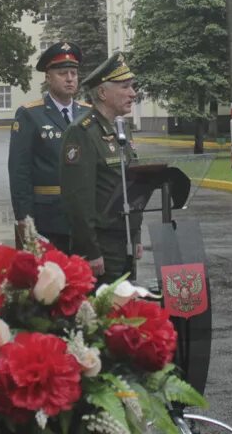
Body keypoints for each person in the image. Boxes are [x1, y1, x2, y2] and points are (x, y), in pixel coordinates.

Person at [60, 52, 140, 283]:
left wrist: (135, 238)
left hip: (124, 241)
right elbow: (77, 200)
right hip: (101, 248)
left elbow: (130, 187)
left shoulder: (122, 129)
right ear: (103, 93)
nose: (133, 93)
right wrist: (90, 251)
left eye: (132, 86)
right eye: (125, 87)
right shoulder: (82, 132)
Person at [8, 41, 90, 251]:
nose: (70, 78)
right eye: (63, 73)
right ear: (48, 77)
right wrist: (24, 219)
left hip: (85, 218)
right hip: (47, 219)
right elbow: (20, 172)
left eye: (73, 73)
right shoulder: (29, 114)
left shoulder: (88, 114)